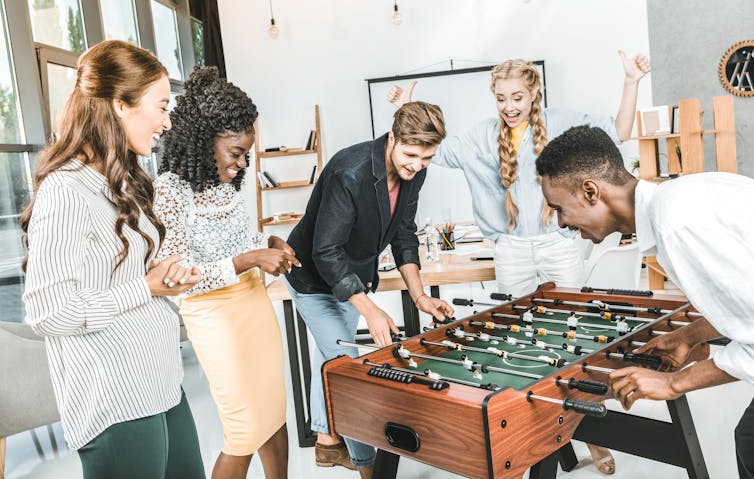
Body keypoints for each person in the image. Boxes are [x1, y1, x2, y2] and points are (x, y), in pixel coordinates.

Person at [388, 51, 652, 475]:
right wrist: (405, 110)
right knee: (520, 348)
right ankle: (533, 431)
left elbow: (618, 132)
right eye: (501, 99)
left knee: (574, 344)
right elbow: (426, 149)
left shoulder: (563, 123)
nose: (509, 107)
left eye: (517, 97)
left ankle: (594, 437)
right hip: (510, 249)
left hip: (559, 244)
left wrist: (631, 82)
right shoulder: (479, 137)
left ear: (533, 95)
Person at [21, 40, 205, 479]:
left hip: (159, 381)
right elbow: (48, 312)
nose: (167, 120)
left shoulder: (120, 181)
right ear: (121, 105)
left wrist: (160, 276)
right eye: (161, 106)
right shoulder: (67, 189)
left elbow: (113, 278)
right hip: (114, 395)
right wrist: (145, 287)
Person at [535, 124, 751, 478]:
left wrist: (672, 384)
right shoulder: (679, 201)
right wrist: (689, 336)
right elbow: (743, 304)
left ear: (591, 191)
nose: (561, 222)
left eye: (559, 207)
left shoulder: (677, 226)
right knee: (749, 437)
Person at [284, 101, 455, 478]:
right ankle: (369, 467)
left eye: (426, 159)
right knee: (353, 370)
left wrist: (420, 296)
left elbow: (405, 234)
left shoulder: (415, 171)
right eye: (411, 155)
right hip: (312, 278)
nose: (417, 166)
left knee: (333, 355)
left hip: (352, 277)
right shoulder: (351, 170)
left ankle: (327, 443)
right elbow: (325, 252)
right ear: (392, 137)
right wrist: (370, 309)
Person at [154, 66, 298, 479]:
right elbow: (176, 277)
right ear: (203, 141)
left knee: (273, 412)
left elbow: (240, 235)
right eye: (235, 152)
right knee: (244, 428)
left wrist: (267, 244)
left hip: (252, 301)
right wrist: (247, 261)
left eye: (246, 154)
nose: (241, 163)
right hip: (212, 315)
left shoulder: (224, 181)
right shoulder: (170, 189)